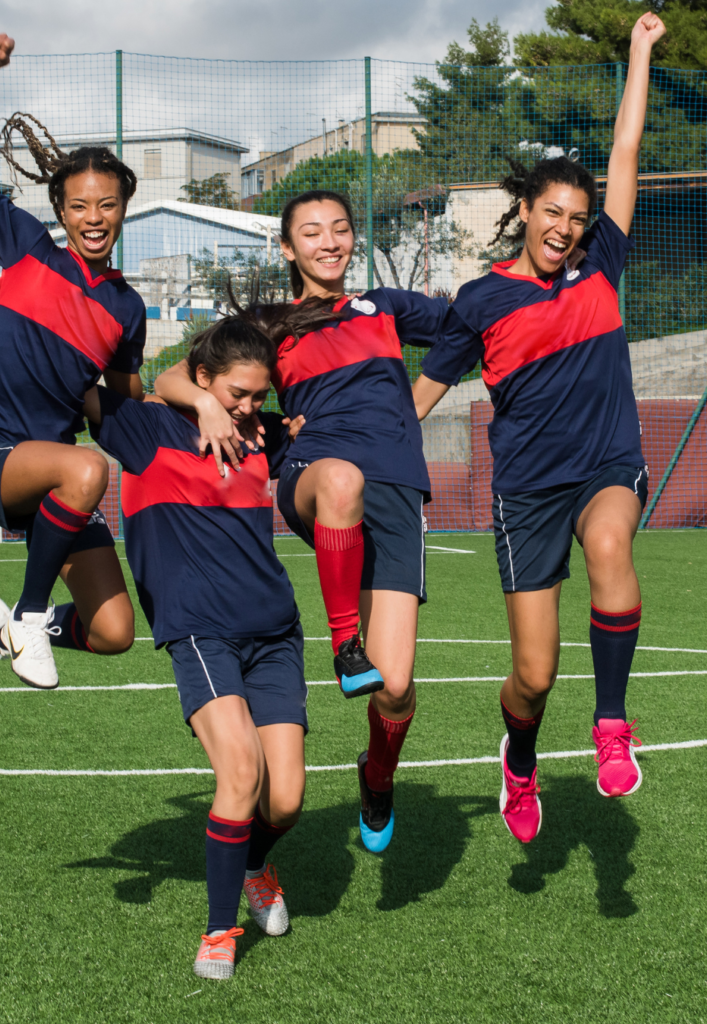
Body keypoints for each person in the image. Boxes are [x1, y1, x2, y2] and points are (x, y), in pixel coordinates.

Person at [413, 13, 667, 843]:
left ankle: (612, 727)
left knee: (610, 549)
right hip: (525, 492)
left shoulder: (601, 273)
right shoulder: (478, 302)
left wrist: (636, 52)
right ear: (524, 209)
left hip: (606, 466)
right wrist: (345, 440)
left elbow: (624, 153)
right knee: (531, 675)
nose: (563, 227)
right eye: (551, 211)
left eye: (576, 217)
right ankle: (518, 762)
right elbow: (421, 392)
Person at [156, 191, 448, 853]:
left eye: (340, 229)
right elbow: (171, 377)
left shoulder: (386, 307)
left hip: (396, 492)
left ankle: (377, 773)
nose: (329, 242)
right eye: (311, 233)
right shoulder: (271, 322)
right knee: (342, 478)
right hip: (314, 476)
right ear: (287, 249)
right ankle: (344, 646)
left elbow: (471, 329)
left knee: (396, 687)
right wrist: (204, 403)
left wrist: (416, 406)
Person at [85, 317, 308, 981]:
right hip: (199, 629)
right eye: (234, 393)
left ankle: (253, 866)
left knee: (286, 799)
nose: (247, 405)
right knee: (239, 774)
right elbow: (83, 385)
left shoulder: (264, 434)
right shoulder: (146, 431)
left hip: (274, 630)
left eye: (256, 395)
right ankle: (218, 931)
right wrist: (190, 395)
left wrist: (243, 410)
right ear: (203, 379)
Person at [0, 32, 146, 690]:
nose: (94, 217)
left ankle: (7, 625)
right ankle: (25, 616)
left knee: (113, 633)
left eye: (107, 204)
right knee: (83, 466)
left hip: (56, 485)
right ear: (59, 210)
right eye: (79, 205)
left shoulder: (127, 309)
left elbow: (123, 399)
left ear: (123, 207)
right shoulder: (25, 248)